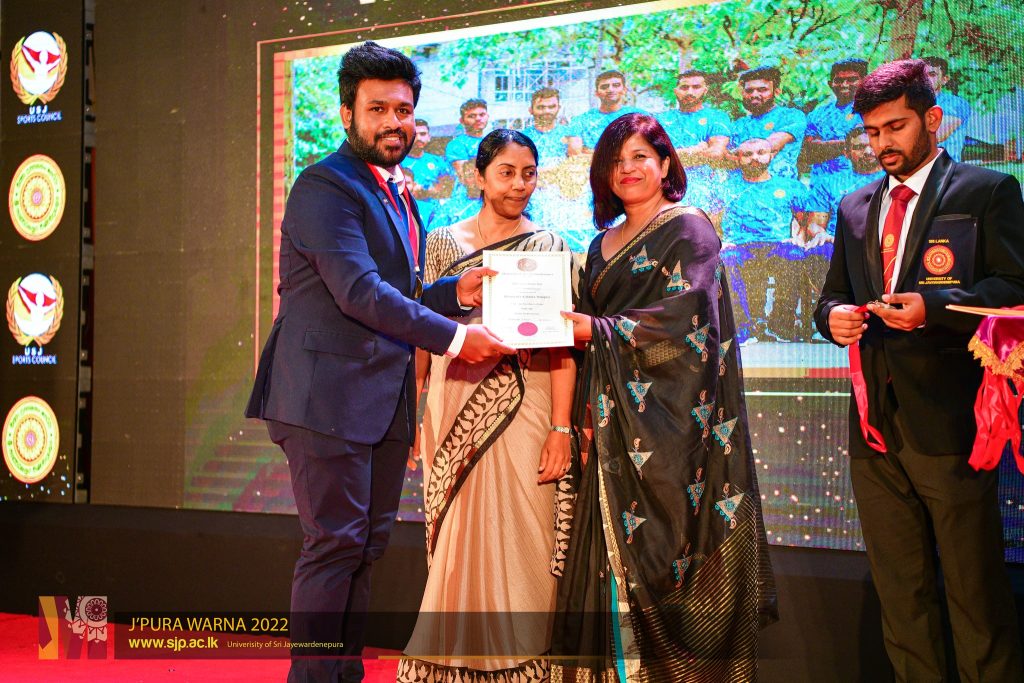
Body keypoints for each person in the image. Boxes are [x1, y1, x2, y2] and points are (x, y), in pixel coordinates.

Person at [245, 42, 513, 683]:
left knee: (365, 547)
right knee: (334, 545)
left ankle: (343, 674)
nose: (395, 122)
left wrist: (456, 293)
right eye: (378, 109)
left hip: (380, 398)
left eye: (404, 110)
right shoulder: (324, 187)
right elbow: (359, 293)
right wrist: (456, 338)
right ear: (348, 114)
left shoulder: (395, 192)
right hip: (324, 398)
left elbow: (400, 293)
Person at [815, 59, 1024, 681]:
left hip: (952, 419)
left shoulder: (987, 191)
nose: (882, 143)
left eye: (895, 127)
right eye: (872, 131)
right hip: (874, 426)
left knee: (974, 593)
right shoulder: (855, 205)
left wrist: (932, 308)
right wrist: (833, 319)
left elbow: (1015, 289)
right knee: (901, 596)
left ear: (932, 119)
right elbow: (831, 297)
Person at [556, 113, 776, 682]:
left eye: (639, 157)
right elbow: (589, 338)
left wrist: (597, 330)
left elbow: (687, 314)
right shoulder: (599, 246)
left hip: (677, 424)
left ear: (664, 164)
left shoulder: (689, 228)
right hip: (612, 423)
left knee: (670, 553)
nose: (627, 170)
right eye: (615, 161)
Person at [397, 129, 576, 682]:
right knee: (458, 532)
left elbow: (561, 346)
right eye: (506, 172)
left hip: (529, 401)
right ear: (479, 176)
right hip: (452, 399)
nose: (519, 185)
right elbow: (421, 332)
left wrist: (562, 428)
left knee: (527, 532)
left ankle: (523, 661)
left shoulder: (549, 246)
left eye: (528, 173)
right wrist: (413, 413)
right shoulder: (442, 244)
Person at [718, 137, 811, 343]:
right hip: (739, 246)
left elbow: (805, 221)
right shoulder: (726, 187)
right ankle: (744, 328)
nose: (755, 158)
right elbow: (712, 220)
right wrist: (720, 241)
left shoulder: (790, 186)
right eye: (747, 154)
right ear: (737, 158)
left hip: (777, 245)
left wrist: (798, 238)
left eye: (761, 153)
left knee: (794, 254)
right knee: (726, 258)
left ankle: (780, 324)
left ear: (772, 155)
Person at [801, 126, 884, 338]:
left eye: (871, 146)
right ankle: (833, 315)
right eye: (859, 147)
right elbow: (814, 224)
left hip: (884, 244)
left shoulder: (893, 180)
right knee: (817, 253)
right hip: (838, 245)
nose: (867, 152)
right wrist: (822, 234)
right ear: (846, 153)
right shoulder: (829, 182)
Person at [655, 69, 731, 216]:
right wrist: (695, 150)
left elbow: (716, 154)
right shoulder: (661, 119)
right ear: (676, 91)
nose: (690, 92)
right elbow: (655, 158)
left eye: (696, 87)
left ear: (705, 90)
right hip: (667, 192)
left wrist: (672, 157)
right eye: (684, 87)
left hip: (707, 193)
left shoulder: (717, 117)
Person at [730, 66, 807, 179]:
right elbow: (725, 158)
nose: (754, 95)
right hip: (742, 187)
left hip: (780, 186)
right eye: (749, 90)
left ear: (777, 92)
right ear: (743, 93)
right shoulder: (738, 125)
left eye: (762, 90)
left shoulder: (790, 116)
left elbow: (767, 147)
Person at [801, 59, 868, 183]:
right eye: (839, 81)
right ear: (830, 83)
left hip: (860, 183)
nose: (844, 85)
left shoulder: (872, 110)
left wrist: (823, 145)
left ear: (864, 82)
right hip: (821, 183)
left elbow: (872, 148)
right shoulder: (817, 114)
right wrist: (851, 144)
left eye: (852, 80)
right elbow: (808, 152)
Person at [566, 70, 645, 154]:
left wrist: (590, 151)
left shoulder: (639, 116)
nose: (610, 89)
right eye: (604, 87)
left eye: (616, 85)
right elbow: (575, 154)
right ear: (596, 93)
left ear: (624, 90)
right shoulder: (581, 121)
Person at [405, 119, 455, 229]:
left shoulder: (438, 161)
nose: (418, 138)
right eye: (414, 134)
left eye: (423, 134)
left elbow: (448, 189)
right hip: (409, 213)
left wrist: (425, 190)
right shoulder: (399, 163)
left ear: (429, 137)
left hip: (435, 214)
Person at [923, 56, 972, 162]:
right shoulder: (909, 104)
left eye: (932, 74)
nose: (926, 79)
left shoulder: (956, 103)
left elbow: (937, 135)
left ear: (944, 79)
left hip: (943, 169)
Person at [522, 87, 570, 167]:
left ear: (559, 108)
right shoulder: (522, 138)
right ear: (531, 110)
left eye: (551, 107)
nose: (547, 111)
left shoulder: (570, 135)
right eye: (541, 107)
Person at [445, 98, 489, 175]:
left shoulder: (492, 141)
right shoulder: (457, 144)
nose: (478, 118)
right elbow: (466, 175)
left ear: (487, 116)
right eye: (472, 116)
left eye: (482, 115)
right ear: (462, 121)